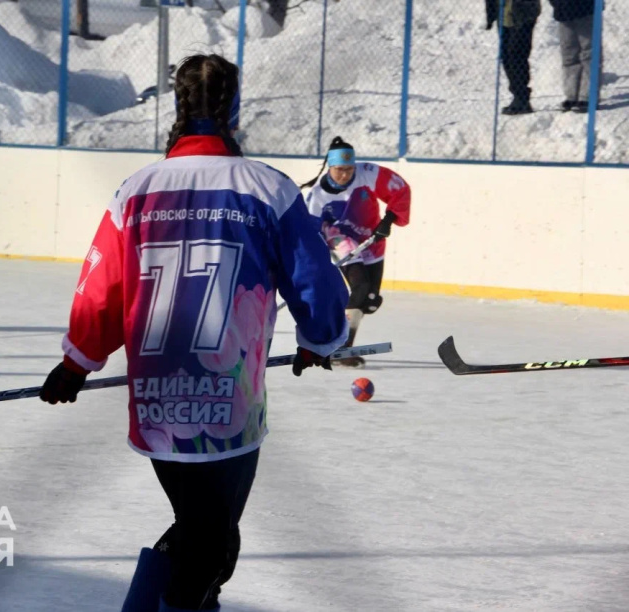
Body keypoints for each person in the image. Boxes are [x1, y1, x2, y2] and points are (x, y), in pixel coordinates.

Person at [39, 54, 348, 612]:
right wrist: (319, 340)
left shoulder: (135, 190)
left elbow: (100, 291)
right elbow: (316, 282)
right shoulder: (268, 188)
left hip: (157, 402)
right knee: (212, 542)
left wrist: (77, 361)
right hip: (227, 402)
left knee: (199, 530)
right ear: (233, 111)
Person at [302, 137, 411, 368]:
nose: (345, 175)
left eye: (350, 169)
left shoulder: (368, 173)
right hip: (338, 236)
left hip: (371, 237)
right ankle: (342, 347)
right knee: (359, 286)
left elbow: (400, 190)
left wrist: (388, 220)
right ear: (329, 167)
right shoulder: (317, 196)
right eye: (340, 170)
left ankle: (340, 339)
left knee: (369, 300)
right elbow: (309, 232)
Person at [486, 0, 541, 115]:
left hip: (522, 15)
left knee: (517, 55)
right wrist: (491, 13)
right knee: (505, 56)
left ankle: (522, 98)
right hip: (503, 15)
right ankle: (517, 94)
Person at [549, 0, 602, 113]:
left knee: (589, 53)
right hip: (563, 12)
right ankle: (572, 96)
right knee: (569, 55)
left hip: (586, 9)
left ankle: (588, 96)